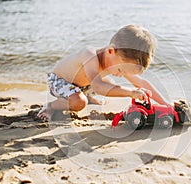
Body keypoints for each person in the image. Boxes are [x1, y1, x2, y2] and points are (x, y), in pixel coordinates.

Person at [37, 24, 169, 120]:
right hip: (60, 82)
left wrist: (165, 104)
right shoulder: (89, 55)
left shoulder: (118, 60)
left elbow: (141, 83)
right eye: (120, 70)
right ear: (111, 51)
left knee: (109, 83)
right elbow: (99, 87)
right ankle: (51, 106)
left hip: (84, 85)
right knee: (80, 103)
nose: (122, 75)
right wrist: (131, 93)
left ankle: (86, 95)